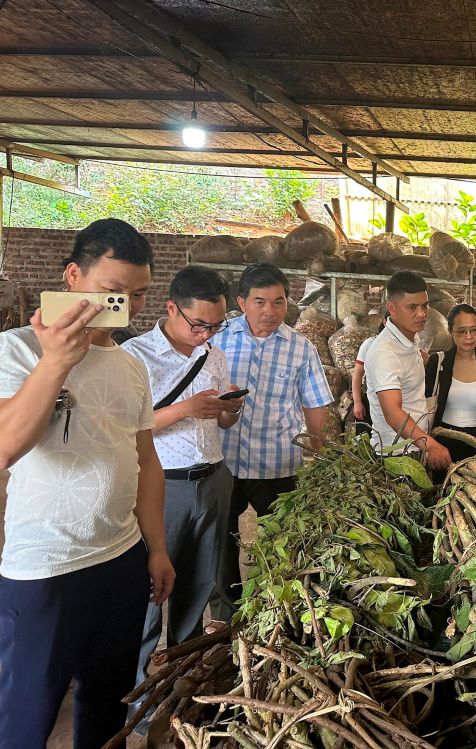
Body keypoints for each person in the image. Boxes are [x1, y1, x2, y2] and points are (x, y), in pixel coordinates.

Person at [0, 218, 174, 748]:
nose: (128, 307)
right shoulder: (19, 349)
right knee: (26, 715)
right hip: (46, 567)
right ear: (73, 276)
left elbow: (145, 460)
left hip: (120, 558)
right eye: (114, 292)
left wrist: (156, 547)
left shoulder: (131, 366)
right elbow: (5, 446)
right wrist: (56, 362)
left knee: (107, 702)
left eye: (139, 294)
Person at [120, 266, 243, 707]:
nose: (207, 333)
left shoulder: (213, 354)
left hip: (212, 478)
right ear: (172, 308)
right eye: (199, 324)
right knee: (150, 590)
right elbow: (125, 426)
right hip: (162, 486)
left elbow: (221, 422)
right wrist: (185, 409)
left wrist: (229, 409)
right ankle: (137, 691)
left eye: (217, 325)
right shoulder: (134, 356)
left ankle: (180, 677)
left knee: (198, 584)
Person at [211, 262, 333, 621]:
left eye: (278, 302)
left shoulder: (301, 348)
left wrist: (320, 454)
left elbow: (315, 403)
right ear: (241, 302)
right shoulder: (218, 340)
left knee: (279, 541)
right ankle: (225, 615)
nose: (270, 311)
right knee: (220, 541)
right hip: (223, 459)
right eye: (260, 302)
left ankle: (272, 610)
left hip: (278, 463)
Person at [365, 271, 451, 469]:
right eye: (412, 307)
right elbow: (393, 413)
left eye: (424, 305)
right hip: (395, 456)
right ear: (391, 308)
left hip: (413, 447)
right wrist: (430, 445)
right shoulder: (385, 352)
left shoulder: (409, 338)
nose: (421, 314)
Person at [425, 304, 476, 463]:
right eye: (461, 331)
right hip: (443, 444)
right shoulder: (438, 362)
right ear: (450, 331)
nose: (469, 336)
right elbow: (425, 403)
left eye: (474, 330)